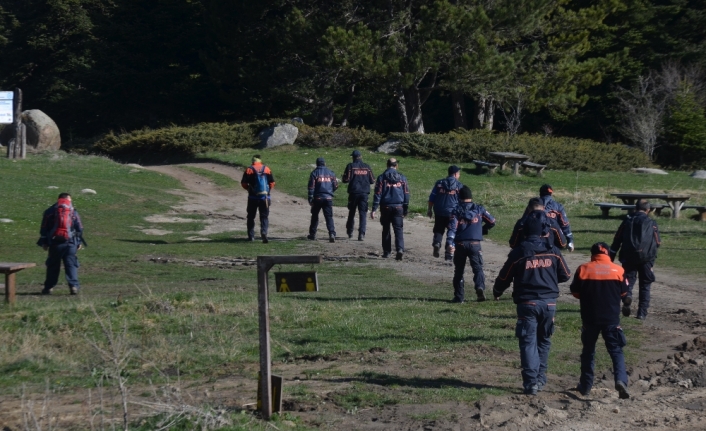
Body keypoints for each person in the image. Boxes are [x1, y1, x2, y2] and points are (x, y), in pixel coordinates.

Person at [493, 211, 571, 395]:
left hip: (527, 304)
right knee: (543, 341)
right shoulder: (553, 251)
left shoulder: (519, 253)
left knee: (528, 342)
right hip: (549, 304)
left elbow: (504, 277)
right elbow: (566, 275)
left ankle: (531, 382)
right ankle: (540, 378)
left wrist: (497, 291)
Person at [570, 242, 631, 399]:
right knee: (616, 351)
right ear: (608, 254)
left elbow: (575, 292)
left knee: (588, 352)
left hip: (589, 319)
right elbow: (625, 294)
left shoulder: (583, 269)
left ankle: (585, 386)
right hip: (611, 319)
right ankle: (621, 380)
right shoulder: (618, 270)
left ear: (592, 254)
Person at [610, 199, 661, 320]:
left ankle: (627, 296)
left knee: (628, 281)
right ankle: (642, 313)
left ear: (635, 208)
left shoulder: (627, 221)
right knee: (645, 285)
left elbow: (617, 239)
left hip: (628, 256)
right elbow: (657, 241)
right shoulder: (652, 223)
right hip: (646, 259)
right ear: (648, 210)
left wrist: (611, 255)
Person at [446, 185, 495, 303]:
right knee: (478, 269)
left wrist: (449, 242)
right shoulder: (479, 209)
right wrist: (483, 229)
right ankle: (479, 287)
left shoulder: (456, 211)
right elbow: (492, 221)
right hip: (475, 244)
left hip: (460, 244)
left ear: (459, 197)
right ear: (470, 196)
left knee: (459, 271)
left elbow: (452, 228)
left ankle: (459, 297)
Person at [37, 193, 85, 295]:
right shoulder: (72, 211)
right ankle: (74, 286)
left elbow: (44, 228)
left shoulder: (50, 211)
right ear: (68, 199)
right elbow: (79, 228)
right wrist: (78, 242)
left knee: (53, 266)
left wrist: (45, 242)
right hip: (70, 243)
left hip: (55, 244)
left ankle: (49, 287)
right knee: (71, 265)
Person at [371, 158, 410, 260]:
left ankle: (387, 252)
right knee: (398, 229)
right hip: (398, 206)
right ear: (396, 165)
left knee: (386, 229)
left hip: (386, 207)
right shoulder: (402, 178)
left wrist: (374, 209)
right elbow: (406, 193)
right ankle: (400, 249)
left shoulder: (382, 178)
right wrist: (405, 207)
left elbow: (378, 194)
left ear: (387, 165)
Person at [428, 165, 463, 261]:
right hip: (452, 213)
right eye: (459, 173)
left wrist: (429, 209)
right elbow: (462, 201)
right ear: (455, 174)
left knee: (439, 229)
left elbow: (432, 197)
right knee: (452, 232)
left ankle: (437, 243)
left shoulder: (439, 183)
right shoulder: (459, 186)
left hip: (439, 211)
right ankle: (448, 254)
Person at [240, 155, 275, 243]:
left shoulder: (249, 169)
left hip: (252, 197)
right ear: (260, 161)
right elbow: (272, 182)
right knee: (264, 216)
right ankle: (264, 232)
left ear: (253, 161)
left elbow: (244, 183)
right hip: (265, 198)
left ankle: (251, 236)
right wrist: (268, 191)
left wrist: (248, 189)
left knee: (251, 217)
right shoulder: (267, 169)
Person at [342, 150, 375, 241]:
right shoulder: (367, 167)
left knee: (351, 212)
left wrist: (343, 177)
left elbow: (346, 179)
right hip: (364, 193)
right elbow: (372, 180)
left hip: (354, 193)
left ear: (353, 157)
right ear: (360, 157)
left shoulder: (350, 166)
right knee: (363, 214)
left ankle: (350, 232)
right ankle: (361, 234)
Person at [307, 157, 339, 242]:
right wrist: (330, 192)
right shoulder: (331, 173)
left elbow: (311, 187)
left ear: (317, 164)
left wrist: (310, 198)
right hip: (328, 198)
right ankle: (332, 233)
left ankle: (312, 234)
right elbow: (335, 185)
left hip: (317, 198)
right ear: (325, 163)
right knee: (329, 217)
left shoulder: (314, 173)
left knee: (314, 216)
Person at [539, 184, 574, 252]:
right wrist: (570, 240)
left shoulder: (533, 204)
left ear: (540, 193)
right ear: (551, 193)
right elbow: (564, 223)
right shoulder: (558, 206)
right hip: (554, 240)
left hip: (535, 239)